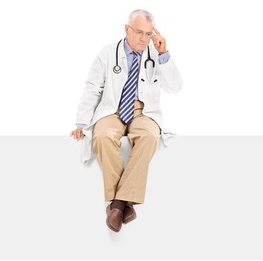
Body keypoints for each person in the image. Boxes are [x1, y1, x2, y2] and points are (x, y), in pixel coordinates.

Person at [70, 9, 182, 232]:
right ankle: (125, 203)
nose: (143, 38)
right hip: (112, 109)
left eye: (149, 33)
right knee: (101, 135)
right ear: (127, 29)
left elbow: (174, 87)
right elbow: (93, 87)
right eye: (139, 32)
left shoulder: (156, 53)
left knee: (150, 136)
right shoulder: (108, 53)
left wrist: (164, 54)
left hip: (144, 111)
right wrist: (82, 122)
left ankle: (117, 204)